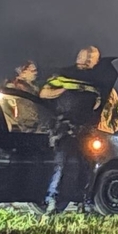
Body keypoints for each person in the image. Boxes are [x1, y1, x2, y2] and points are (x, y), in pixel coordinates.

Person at [39, 46, 106, 213]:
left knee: (87, 167)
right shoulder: (63, 74)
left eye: (94, 58)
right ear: (79, 57)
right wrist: (64, 90)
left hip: (86, 130)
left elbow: (99, 100)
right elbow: (43, 93)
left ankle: (84, 202)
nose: (90, 60)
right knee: (60, 166)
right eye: (87, 56)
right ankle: (52, 202)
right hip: (64, 128)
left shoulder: (95, 79)